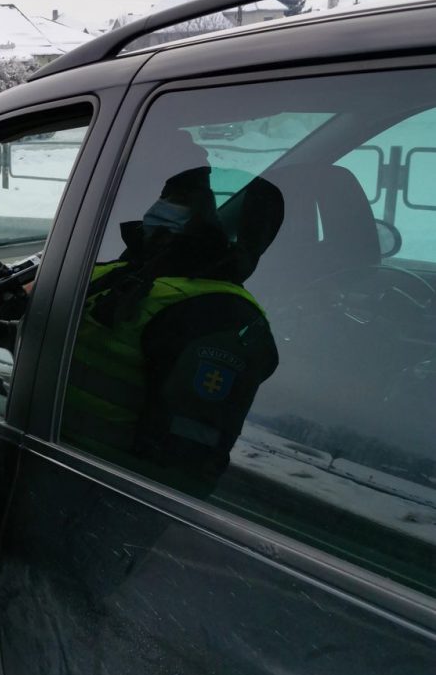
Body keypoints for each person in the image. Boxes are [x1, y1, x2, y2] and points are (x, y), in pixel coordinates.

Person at [62, 160, 283, 494]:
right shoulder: (128, 269)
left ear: (207, 218)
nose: (159, 209)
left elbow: (180, 468)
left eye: (179, 200)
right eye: (165, 195)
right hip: (54, 454)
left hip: (98, 488)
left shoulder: (217, 314)